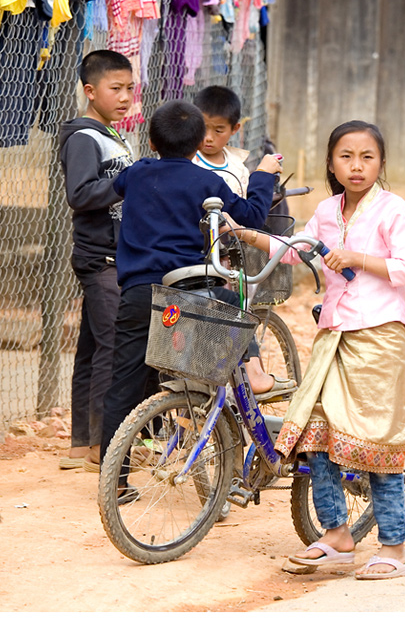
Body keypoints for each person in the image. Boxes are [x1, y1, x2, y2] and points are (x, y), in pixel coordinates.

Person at [226, 119, 405, 580]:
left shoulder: (395, 211)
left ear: (381, 163)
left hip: (378, 339)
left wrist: (357, 259)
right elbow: (295, 249)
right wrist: (245, 234)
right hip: (332, 336)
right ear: (332, 163)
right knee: (316, 438)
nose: (357, 166)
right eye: (347, 157)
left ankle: (394, 547)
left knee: (379, 444)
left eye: (367, 157)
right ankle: (337, 534)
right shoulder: (327, 210)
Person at [97, 100, 282, 494]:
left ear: (150, 140)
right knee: (218, 334)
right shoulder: (206, 184)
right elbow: (249, 216)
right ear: (200, 142)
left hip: (135, 293)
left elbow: (111, 190)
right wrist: (264, 176)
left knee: (124, 382)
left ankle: (116, 481)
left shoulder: (137, 173)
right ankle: (248, 374)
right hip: (184, 294)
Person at [58, 50, 136, 472]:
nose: (125, 97)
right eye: (115, 89)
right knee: (113, 348)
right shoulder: (84, 137)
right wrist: (129, 180)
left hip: (113, 255)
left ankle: (80, 444)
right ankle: (103, 449)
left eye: (130, 88)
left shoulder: (111, 134)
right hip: (101, 257)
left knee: (91, 348)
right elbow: (80, 194)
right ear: (90, 91)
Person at [192, 84, 296, 399]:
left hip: (233, 253)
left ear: (236, 130)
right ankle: (253, 372)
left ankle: (239, 383)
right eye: (203, 128)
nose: (208, 137)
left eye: (218, 130)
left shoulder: (236, 164)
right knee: (226, 313)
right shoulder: (193, 162)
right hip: (203, 253)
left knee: (236, 311)